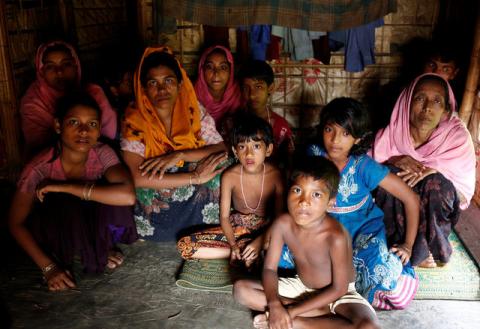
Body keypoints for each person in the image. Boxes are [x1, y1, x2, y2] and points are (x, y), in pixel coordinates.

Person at [8, 92, 138, 291]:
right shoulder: (39, 167)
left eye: (92, 124)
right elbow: (15, 223)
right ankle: (76, 250)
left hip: (87, 217)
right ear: (58, 126)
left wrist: (65, 186)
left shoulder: (102, 152)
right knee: (64, 203)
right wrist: (49, 268)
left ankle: (100, 243)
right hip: (57, 229)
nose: (84, 131)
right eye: (74, 122)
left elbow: (127, 196)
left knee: (112, 200)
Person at [233, 157, 378, 329]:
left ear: (330, 203)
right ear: (287, 192)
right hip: (301, 287)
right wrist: (274, 304)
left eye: (316, 194)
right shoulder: (282, 224)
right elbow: (269, 269)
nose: (304, 202)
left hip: (340, 296)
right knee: (241, 290)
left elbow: (339, 289)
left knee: (369, 327)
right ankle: (312, 318)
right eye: (297, 190)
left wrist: (291, 311)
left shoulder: (336, 235)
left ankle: (296, 322)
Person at [306, 97, 420, 310]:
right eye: (329, 129)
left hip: (362, 231)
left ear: (358, 139)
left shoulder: (364, 166)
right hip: (324, 229)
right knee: (284, 257)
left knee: (381, 278)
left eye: (346, 133)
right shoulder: (313, 154)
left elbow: (411, 199)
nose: (335, 139)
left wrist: (408, 245)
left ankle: (397, 274)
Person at [121, 46, 228, 241]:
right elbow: (136, 177)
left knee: (222, 166)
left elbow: (221, 149)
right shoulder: (134, 120)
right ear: (143, 88)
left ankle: (206, 224)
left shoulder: (192, 110)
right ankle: (164, 232)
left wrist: (180, 155)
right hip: (157, 201)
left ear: (180, 84)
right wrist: (194, 177)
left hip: (191, 187)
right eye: (153, 83)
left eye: (169, 81)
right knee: (142, 183)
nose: (162, 89)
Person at [372, 74, 476, 268]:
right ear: (407, 103)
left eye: (437, 101)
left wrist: (434, 171)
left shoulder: (457, 137)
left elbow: (461, 195)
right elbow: (365, 172)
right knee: (387, 176)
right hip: (399, 213)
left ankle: (429, 249)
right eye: (419, 98)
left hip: (434, 206)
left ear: (446, 111)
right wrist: (395, 160)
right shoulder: (392, 133)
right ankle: (399, 243)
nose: (427, 107)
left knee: (436, 185)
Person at [177, 114, 284, 268]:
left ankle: (251, 252)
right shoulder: (230, 176)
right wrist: (233, 245)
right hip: (236, 230)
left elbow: (279, 220)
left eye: (256, 146)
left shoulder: (276, 176)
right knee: (185, 246)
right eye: (242, 147)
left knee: (286, 241)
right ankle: (242, 253)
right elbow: (225, 217)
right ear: (235, 151)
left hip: (267, 231)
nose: (249, 154)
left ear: (269, 149)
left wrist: (260, 241)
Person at [20, 40, 117, 156]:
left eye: (66, 64)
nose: (59, 72)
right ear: (41, 72)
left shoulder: (94, 93)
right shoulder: (33, 102)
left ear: (76, 67)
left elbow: (109, 134)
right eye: (50, 66)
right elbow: (38, 147)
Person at [238, 60, 295, 164]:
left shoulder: (280, 126)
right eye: (246, 88)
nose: (252, 95)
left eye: (258, 87)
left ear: (271, 88)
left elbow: (288, 162)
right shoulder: (232, 122)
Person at [194, 45, 242, 127]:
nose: (216, 73)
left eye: (223, 67)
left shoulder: (240, 95)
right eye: (209, 67)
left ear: (231, 71)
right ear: (202, 70)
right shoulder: (191, 95)